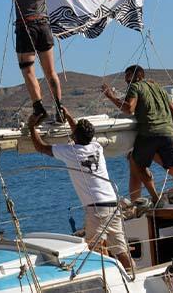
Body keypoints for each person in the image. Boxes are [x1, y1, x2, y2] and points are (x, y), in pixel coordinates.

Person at [27, 108, 133, 271]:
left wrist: (31, 127)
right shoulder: (97, 147)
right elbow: (79, 133)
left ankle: (103, 279)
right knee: (120, 250)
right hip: (113, 203)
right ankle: (131, 272)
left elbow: (41, 147)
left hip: (97, 208)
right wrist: (69, 116)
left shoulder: (70, 152)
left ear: (75, 136)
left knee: (92, 251)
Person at [101, 65, 173, 210]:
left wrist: (111, 96)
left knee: (137, 164)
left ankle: (156, 199)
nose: (126, 79)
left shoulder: (135, 87)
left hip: (148, 133)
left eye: (128, 76)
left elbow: (129, 109)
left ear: (137, 76)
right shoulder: (160, 89)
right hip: (168, 133)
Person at [1, 0, 64, 122]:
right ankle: (59, 109)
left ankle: (39, 108)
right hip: (43, 27)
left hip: (25, 28)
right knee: (51, 72)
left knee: (29, 71)